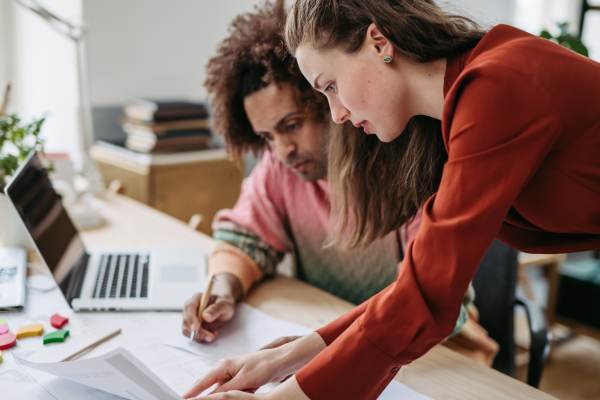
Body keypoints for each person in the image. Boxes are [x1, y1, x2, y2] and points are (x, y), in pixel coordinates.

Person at [183, 0, 600, 399]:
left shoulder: (495, 87)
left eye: (331, 86)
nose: (337, 115)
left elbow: (426, 299)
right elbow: (416, 286)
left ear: (379, 43)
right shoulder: (450, 118)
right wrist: (284, 357)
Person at [182, 0, 496, 372]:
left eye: (292, 125)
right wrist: (223, 288)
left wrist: (320, 348)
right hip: (342, 340)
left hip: (437, 357)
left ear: (329, 98)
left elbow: (421, 301)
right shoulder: (284, 168)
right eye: (267, 137)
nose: (282, 151)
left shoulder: (412, 163)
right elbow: (244, 239)